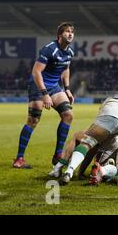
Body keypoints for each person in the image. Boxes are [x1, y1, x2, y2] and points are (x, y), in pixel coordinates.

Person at [13, 22, 75, 169]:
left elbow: (66, 68)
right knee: (33, 120)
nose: (70, 34)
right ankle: (19, 159)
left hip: (55, 87)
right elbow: (36, 72)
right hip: (38, 85)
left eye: (72, 31)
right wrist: (44, 94)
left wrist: (67, 88)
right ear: (60, 35)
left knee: (68, 115)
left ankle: (58, 155)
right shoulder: (49, 50)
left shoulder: (69, 52)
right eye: (67, 31)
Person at [57, 97, 118, 185]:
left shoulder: (108, 111)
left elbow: (81, 139)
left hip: (116, 144)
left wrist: (72, 169)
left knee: (88, 143)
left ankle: (68, 172)